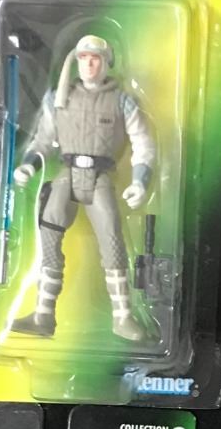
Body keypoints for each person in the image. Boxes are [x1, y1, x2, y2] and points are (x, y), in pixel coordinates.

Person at [11, 30, 155, 341]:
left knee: (113, 240)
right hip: (67, 174)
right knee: (49, 235)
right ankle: (43, 314)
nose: (89, 65)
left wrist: (140, 181)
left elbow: (143, 144)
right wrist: (29, 165)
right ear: (76, 61)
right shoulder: (59, 97)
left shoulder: (123, 102)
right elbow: (43, 139)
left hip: (100, 178)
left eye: (95, 59)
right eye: (84, 58)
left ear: (107, 62)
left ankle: (122, 317)